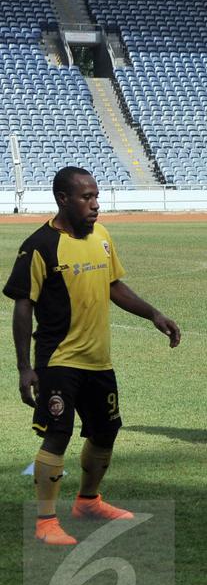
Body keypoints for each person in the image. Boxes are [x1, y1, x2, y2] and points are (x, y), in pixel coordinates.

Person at [5, 167, 181, 546]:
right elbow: (23, 308)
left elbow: (114, 285)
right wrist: (24, 367)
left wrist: (154, 314)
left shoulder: (101, 236)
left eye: (96, 196)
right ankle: (45, 521)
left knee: (105, 431)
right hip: (58, 361)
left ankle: (88, 501)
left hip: (98, 360)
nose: (95, 205)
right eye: (86, 198)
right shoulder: (39, 246)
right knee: (58, 434)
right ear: (63, 199)